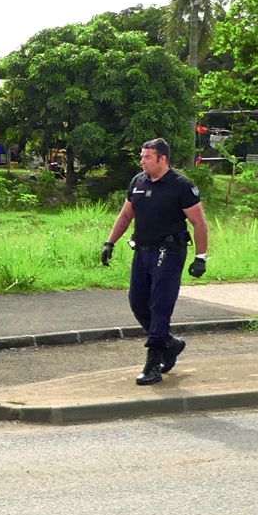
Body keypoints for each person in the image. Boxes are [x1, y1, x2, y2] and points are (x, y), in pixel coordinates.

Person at [99, 137, 210, 386]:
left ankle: (153, 361)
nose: (142, 161)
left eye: (147, 157)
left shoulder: (181, 185)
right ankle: (169, 343)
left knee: (160, 304)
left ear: (162, 159)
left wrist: (200, 257)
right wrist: (110, 243)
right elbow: (126, 214)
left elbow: (199, 223)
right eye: (142, 156)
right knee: (138, 302)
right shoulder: (138, 182)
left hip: (169, 252)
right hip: (143, 251)